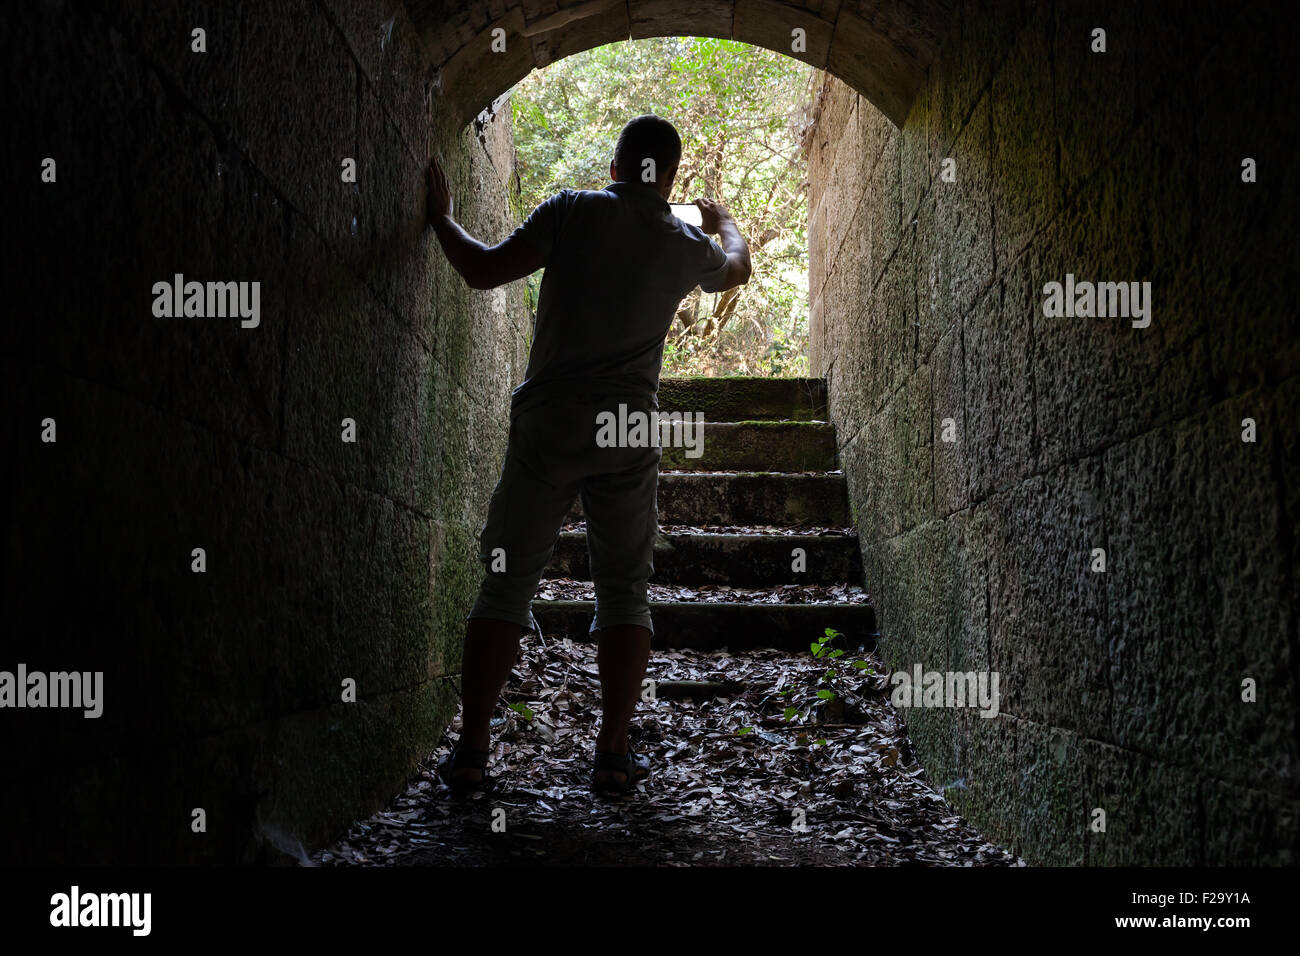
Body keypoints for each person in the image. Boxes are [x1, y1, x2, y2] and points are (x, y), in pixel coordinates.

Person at [425, 113, 751, 794]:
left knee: (506, 582)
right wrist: (722, 220)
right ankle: (610, 753)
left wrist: (441, 218)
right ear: (668, 178)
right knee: (625, 593)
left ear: (613, 165)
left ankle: (475, 753)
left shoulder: (571, 210)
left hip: (551, 418)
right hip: (626, 428)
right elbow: (738, 268)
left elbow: (482, 270)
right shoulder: (683, 239)